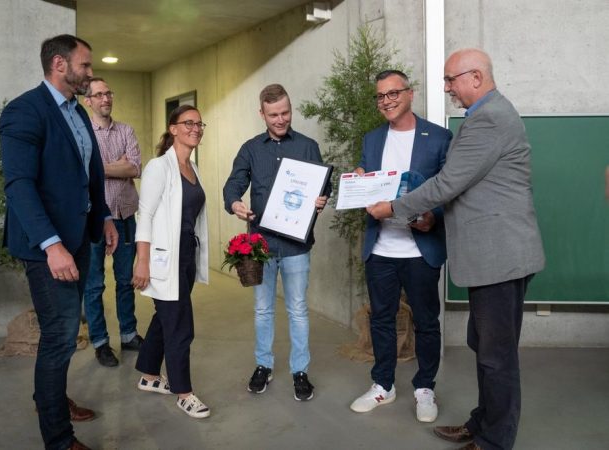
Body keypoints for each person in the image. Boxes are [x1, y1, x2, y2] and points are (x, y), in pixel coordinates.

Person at [366, 49, 545, 450]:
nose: (446, 88)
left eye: (451, 79)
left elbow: (447, 183)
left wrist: (393, 207)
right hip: (490, 258)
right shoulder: (484, 115)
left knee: (496, 356)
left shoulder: (490, 118)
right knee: (485, 347)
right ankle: (482, 424)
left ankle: (493, 440)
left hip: (500, 257)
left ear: (476, 77)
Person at [0, 34, 118, 450]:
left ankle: (49, 400)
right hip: (48, 248)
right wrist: (51, 245)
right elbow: (19, 185)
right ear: (59, 65)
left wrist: (104, 216)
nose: (90, 73)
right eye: (85, 65)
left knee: (64, 333)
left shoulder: (77, 111)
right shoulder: (24, 111)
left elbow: (90, 174)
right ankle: (59, 439)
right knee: (60, 335)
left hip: (79, 238)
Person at [348, 70, 452, 423]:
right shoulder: (373, 138)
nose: (386, 101)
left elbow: (450, 189)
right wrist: (359, 176)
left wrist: (433, 218)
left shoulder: (438, 137)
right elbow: (367, 172)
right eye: (380, 96)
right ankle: (383, 385)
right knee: (381, 320)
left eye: (393, 93)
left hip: (419, 250)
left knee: (426, 322)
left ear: (410, 93)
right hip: (381, 249)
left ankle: (425, 388)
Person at [223, 83, 331, 401]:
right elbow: (233, 184)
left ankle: (300, 371)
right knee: (262, 310)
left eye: (285, 113)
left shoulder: (308, 146)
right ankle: (264, 366)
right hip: (261, 247)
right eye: (273, 115)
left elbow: (324, 185)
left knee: (298, 310)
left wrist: (322, 198)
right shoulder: (250, 149)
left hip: (297, 246)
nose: (281, 119)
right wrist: (235, 203)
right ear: (262, 114)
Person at [132, 105, 211, 419]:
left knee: (165, 317)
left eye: (199, 124)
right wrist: (142, 261)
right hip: (165, 258)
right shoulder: (159, 167)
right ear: (173, 128)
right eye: (188, 123)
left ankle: (149, 375)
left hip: (187, 256)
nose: (195, 128)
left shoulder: (193, 168)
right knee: (179, 325)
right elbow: (145, 216)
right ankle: (184, 393)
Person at [82, 77, 144, 367]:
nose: (105, 98)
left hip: (125, 215)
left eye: (108, 93)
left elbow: (135, 167)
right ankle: (100, 342)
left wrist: (99, 168)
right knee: (94, 284)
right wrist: (117, 166)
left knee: (125, 280)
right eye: (98, 95)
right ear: (88, 101)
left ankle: (129, 334)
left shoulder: (126, 130)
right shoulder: (84, 134)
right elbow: (82, 172)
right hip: (94, 218)